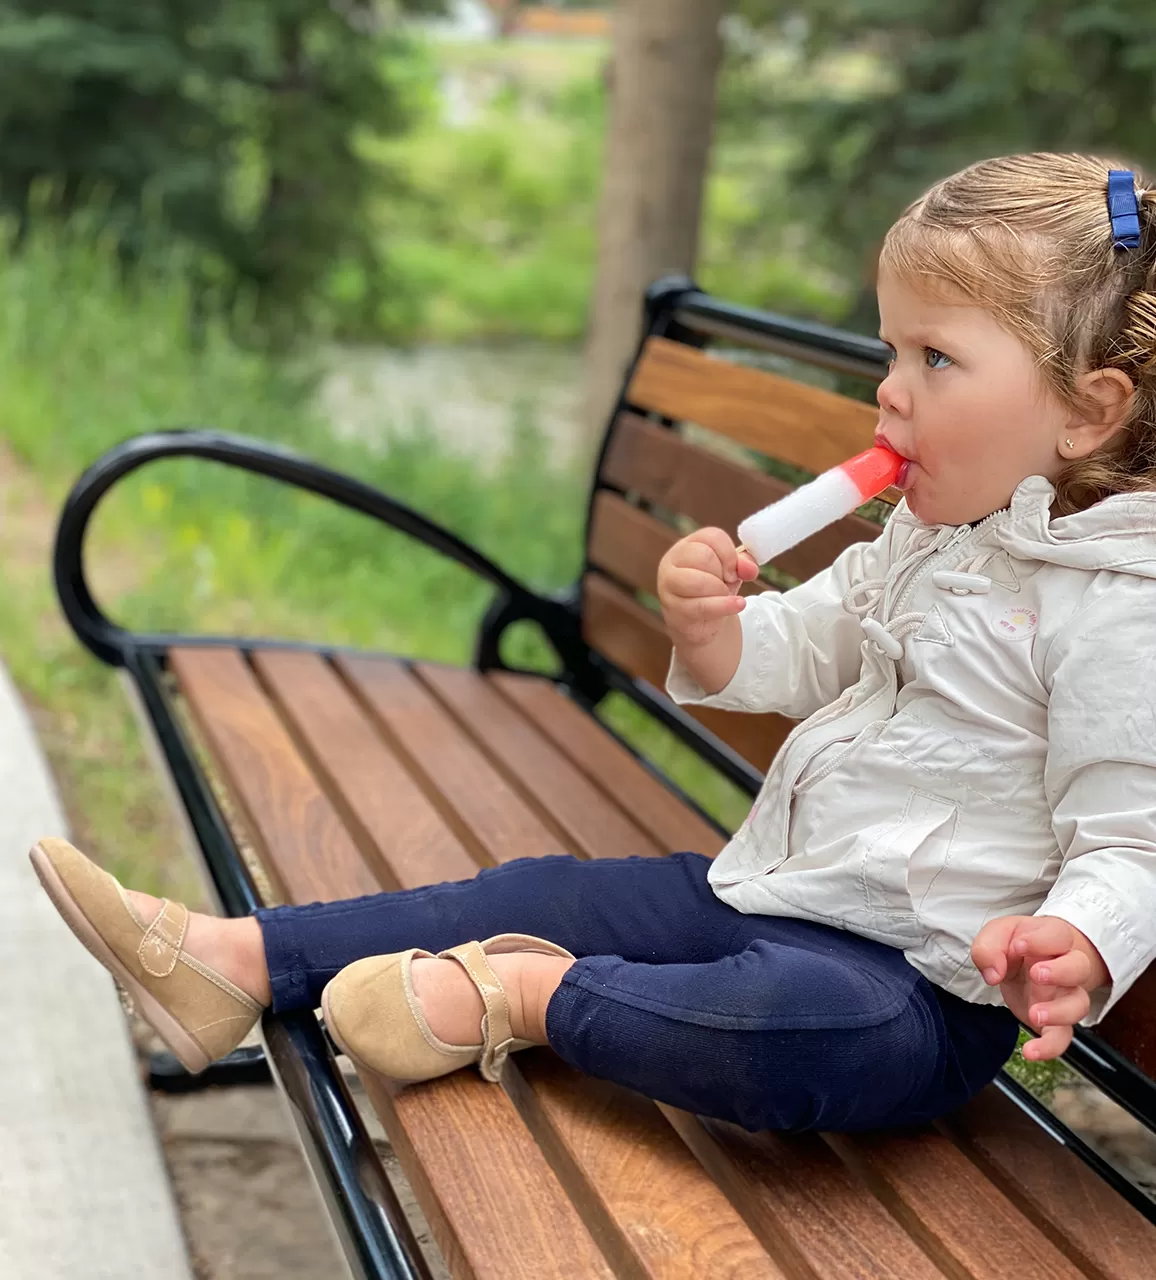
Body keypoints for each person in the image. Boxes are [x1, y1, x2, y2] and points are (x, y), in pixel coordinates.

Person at [30, 152, 1156, 1134]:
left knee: (792, 1031)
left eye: (934, 359)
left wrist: (1078, 939)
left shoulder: (1118, 608)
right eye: (889, 349)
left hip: (913, 985)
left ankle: (529, 1000)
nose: (886, 391)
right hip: (770, 888)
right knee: (552, 885)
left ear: (1086, 412)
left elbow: (1136, 841)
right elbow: (802, 649)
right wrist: (714, 630)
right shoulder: (925, 531)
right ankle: (233, 960)